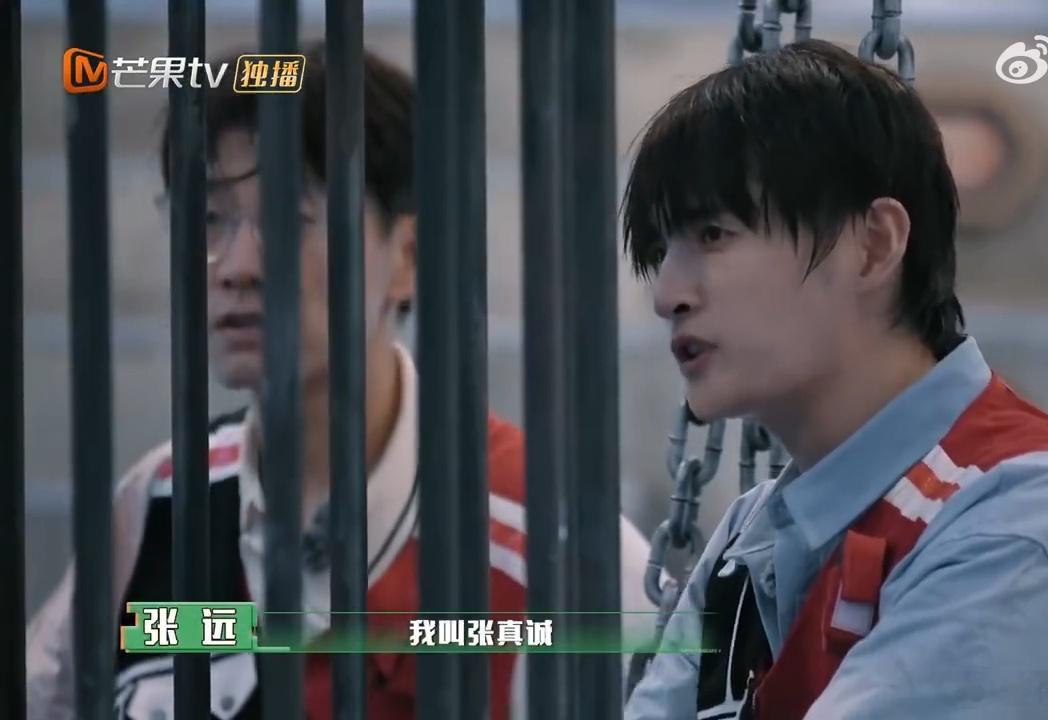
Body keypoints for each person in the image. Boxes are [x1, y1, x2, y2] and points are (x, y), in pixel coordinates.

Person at [26, 46, 656, 719]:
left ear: (407, 256)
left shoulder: (549, 554)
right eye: (208, 219)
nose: (235, 266)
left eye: (284, 220)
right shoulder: (159, 504)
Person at [620, 40, 1048, 719]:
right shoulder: (754, 534)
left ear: (874, 245)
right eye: (662, 250)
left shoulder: (1023, 526)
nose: (667, 294)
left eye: (713, 235)